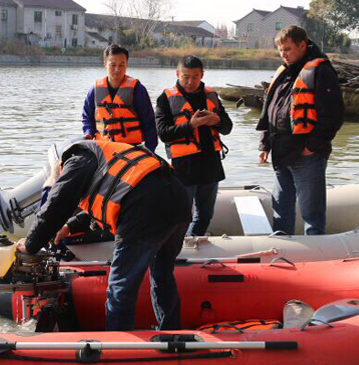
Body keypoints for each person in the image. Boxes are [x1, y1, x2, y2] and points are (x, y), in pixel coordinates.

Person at [17, 139, 191, 331]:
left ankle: (117, 346)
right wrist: (69, 227)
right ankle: (172, 332)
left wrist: (31, 244)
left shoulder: (75, 160)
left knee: (120, 288)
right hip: (178, 200)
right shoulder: (105, 154)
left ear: (60, 165)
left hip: (145, 208)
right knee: (162, 275)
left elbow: (56, 203)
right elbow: (106, 201)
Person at [256, 25, 344, 235]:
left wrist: (312, 146)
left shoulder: (320, 70)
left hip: (306, 155)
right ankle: (282, 248)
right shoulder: (284, 72)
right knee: (280, 209)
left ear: (303, 45)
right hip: (281, 152)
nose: (283, 54)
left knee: (312, 214)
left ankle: (316, 253)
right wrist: (264, 143)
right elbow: (270, 110)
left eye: (287, 49)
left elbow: (334, 115)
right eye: (280, 50)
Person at [155, 56, 233, 236]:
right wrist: (191, 125)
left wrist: (217, 120)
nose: (190, 82)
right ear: (177, 74)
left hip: (211, 165)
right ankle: (175, 247)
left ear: (202, 75)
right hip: (184, 167)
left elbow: (227, 128)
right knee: (180, 215)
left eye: (195, 77)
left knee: (205, 215)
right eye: (186, 76)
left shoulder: (212, 95)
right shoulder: (165, 98)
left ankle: (193, 242)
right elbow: (163, 133)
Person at [82, 44, 159, 151]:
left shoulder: (138, 90)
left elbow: (149, 123)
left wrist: (150, 150)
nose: (117, 69)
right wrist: (88, 133)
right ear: (105, 64)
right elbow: (87, 118)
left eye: (121, 65)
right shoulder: (94, 90)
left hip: (132, 149)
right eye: (113, 65)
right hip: (103, 149)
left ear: (127, 64)